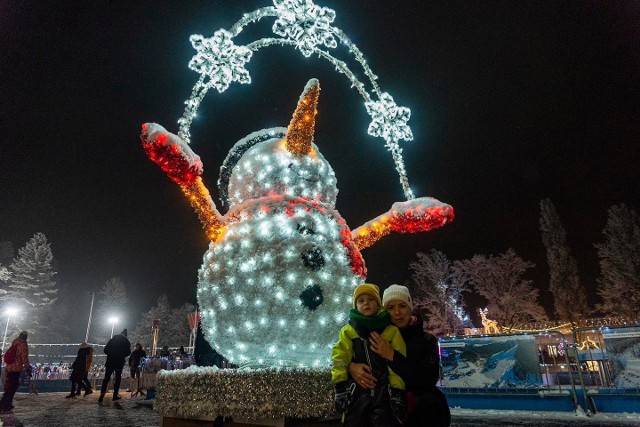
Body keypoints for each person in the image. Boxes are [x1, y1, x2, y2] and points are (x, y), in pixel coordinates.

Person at [349, 284, 451, 427]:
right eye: (390, 308)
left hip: (422, 414)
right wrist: (351, 367)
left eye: (402, 306)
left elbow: (426, 381)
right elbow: (346, 357)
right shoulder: (374, 337)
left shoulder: (426, 341)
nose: (397, 312)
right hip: (383, 413)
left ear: (410, 307)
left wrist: (392, 356)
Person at [331, 283, 407, 426]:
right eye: (361, 300)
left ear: (379, 305)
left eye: (370, 299)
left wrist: (397, 391)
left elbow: (396, 365)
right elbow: (339, 357)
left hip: (384, 395)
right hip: (356, 395)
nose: (366, 303)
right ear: (356, 306)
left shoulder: (391, 331)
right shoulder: (348, 331)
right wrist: (340, 386)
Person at [0, 331, 31, 412]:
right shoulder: (23, 345)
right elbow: (24, 358)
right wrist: (27, 368)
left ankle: (6, 403)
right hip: (16, 368)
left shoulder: (15, 341)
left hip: (10, 367)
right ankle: (4, 404)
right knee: (12, 386)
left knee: (10, 385)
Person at [98, 329, 131, 403]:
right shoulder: (126, 342)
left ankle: (102, 395)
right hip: (119, 362)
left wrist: (111, 354)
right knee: (118, 378)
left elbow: (105, 350)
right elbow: (128, 352)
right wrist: (121, 355)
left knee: (106, 378)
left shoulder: (112, 340)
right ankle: (115, 395)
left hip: (110, 361)